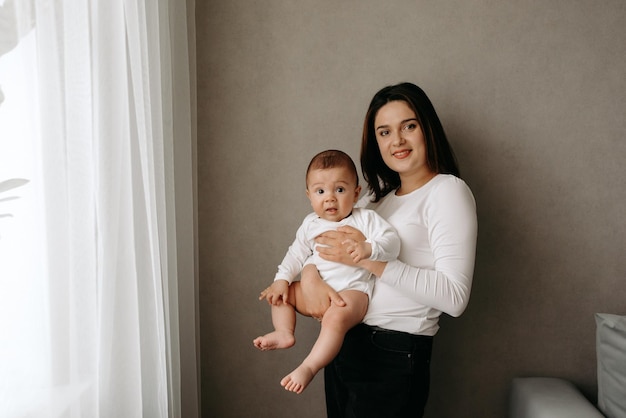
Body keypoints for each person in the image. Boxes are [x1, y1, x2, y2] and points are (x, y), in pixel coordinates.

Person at [295, 82, 478, 417]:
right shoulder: (375, 200)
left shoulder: (447, 192)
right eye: (384, 132)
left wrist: (371, 261)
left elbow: (455, 298)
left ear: (428, 129)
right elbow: (318, 246)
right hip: (346, 344)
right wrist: (309, 277)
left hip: (392, 355)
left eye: (409, 126)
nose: (397, 141)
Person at [254, 149, 400, 395]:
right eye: (320, 191)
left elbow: (392, 242)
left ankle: (309, 367)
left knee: (335, 319)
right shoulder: (310, 223)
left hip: (351, 293)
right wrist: (281, 280)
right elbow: (296, 254)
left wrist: (368, 247)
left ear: (356, 193)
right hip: (315, 291)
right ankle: (284, 332)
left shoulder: (365, 219)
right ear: (309, 195)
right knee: (281, 294)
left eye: (340, 190)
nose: (330, 198)